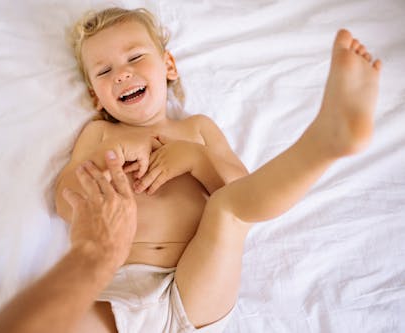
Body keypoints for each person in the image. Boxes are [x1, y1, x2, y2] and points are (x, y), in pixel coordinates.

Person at [54, 7, 382, 333]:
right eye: (104, 70)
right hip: (120, 289)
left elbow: (245, 192)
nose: (122, 74)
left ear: (168, 65)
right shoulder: (100, 135)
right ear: (96, 97)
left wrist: (197, 159)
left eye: (135, 57)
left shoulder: (197, 129)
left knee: (228, 209)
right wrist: (107, 158)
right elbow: (65, 203)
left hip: (198, 285)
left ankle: (324, 142)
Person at [0, 151, 138, 333]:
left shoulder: (178, 131)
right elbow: (66, 198)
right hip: (122, 291)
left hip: (173, 281)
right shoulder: (102, 131)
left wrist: (178, 155)